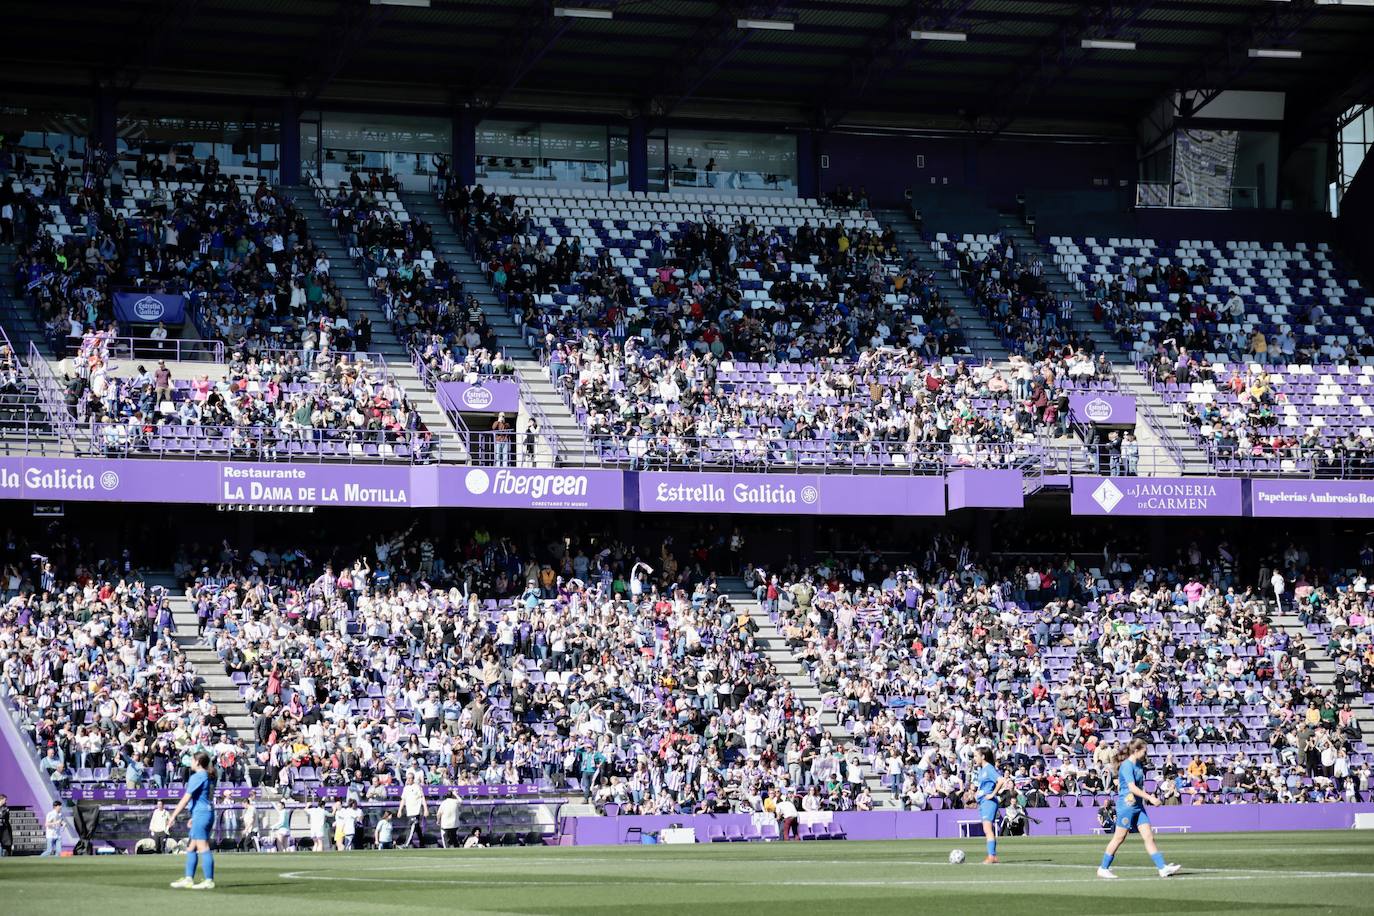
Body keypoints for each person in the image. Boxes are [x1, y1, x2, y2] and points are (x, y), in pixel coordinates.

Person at [1097, 739, 1181, 880]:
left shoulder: (1139, 765)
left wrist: (1146, 797)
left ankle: (1162, 868)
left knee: (1148, 836)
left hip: (1138, 806)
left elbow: (1139, 787)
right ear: (1136, 751)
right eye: (1144, 751)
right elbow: (1132, 788)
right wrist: (1150, 798)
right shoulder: (1127, 766)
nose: (1146, 754)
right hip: (1127, 806)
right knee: (1119, 838)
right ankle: (1103, 868)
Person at [168, 750, 217, 889]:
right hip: (204, 813)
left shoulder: (198, 776)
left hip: (201, 814)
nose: (190, 762)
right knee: (191, 847)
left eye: (192, 760)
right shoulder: (208, 776)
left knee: (202, 847)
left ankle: (208, 880)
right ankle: (189, 878)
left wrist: (173, 815)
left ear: (197, 762)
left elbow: (186, 798)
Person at [966, 747, 1013, 864]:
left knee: (987, 828)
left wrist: (992, 794)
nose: (975, 758)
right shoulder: (982, 770)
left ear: (983, 756)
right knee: (986, 828)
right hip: (983, 802)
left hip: (989, 802)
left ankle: (992, 856)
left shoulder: (989, 769)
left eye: (976, 756)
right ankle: (992, 855)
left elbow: (1001, 780)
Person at [399, 774, 429, 847]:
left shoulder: (417, 787)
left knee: (411, 826)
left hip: (416, 811)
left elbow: (422, 798)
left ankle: (406, 844)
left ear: (413, 779)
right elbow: (403, 799)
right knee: (417, 828)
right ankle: (422, 843)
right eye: (407, 778)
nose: (408, 780)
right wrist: (400, 810)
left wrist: (425, 809)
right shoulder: (406, 788)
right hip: (409, 811)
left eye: (410, 778)